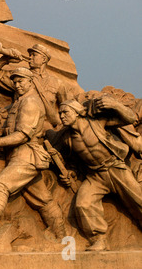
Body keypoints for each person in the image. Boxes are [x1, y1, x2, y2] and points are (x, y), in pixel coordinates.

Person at [0, 67, 67, 239]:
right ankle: (62, 237)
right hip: (17, 155)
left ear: (30, 81)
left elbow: (22, 135)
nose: (17, 85)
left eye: (21, 81)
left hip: (27, 156)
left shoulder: (31, 103)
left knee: (1, 184)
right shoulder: (19, 102)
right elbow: (7, 129)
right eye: (15, 82)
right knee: (43, 199)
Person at [51, 98, 142, 251]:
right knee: (83, 204)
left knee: (139, 199)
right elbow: (73, 162)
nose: (61, 116)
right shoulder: (67, 138)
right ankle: (99, 240)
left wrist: (115, 104)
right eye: (60, 113)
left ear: (76, 112)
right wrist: (71, 173)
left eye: (65, 112)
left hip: (116, 168)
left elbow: (130, 118)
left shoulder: (97, 122)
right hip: (96, 175)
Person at [0, 43, 81, 130]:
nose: (30, 57)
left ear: (44, 59)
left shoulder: (57, 83)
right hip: (21, 125)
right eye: (30, 55)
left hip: (46, 128)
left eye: (34, 55)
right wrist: (5, 59)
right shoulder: (20, 76)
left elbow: (70, 106)